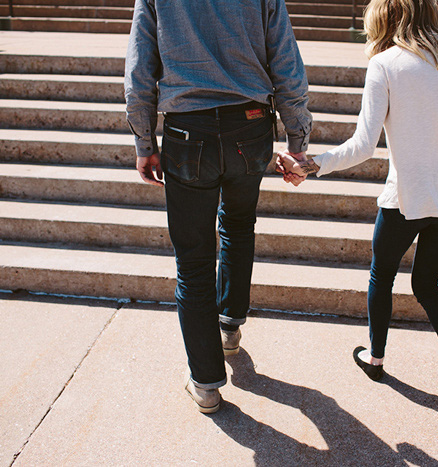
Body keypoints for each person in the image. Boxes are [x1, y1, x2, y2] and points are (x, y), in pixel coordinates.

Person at [278, 0, 438, 425]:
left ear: (385, 16)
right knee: (427, 284)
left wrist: (312, 164)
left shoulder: (385, 64)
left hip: (406, 201)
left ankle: (376, 357)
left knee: (382, 275)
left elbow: (363, 146)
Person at [124, 0, 312, 414]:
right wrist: (297, 140)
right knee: (239, 225)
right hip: (250, 122)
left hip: (188, 128)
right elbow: (286, 59)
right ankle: (229, 325)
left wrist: (144, 141)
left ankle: (206, 382)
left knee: (192, 260)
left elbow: (140, 67)